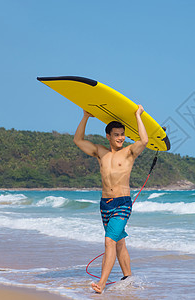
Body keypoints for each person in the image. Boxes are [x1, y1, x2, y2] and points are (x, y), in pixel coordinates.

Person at [73, 105, 148, 294]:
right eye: (116, 134)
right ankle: (128, 278)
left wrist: (138, 115)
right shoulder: (101, 152)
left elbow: (144, 140)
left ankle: (102, 283)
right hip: (105, 204)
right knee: (119, 242)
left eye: (122, 134)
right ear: (108, 136)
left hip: (123, 203)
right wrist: (85, 117)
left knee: (109, 241)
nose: (121, 137)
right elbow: (78, 140)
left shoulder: (130, 152)